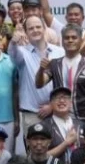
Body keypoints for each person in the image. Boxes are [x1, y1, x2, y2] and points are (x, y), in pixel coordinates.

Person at [9, 15, 66, 155]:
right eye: (31, 28)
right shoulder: (22, 53)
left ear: (45, 28)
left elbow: (63, 82)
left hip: (56, 112)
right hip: (32, 115)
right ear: (26, 32)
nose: (35, 30)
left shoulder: (59, 51)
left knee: (59, 153)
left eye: (38, 27)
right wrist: (13, 41)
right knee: (34, 156)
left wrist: (52, 106)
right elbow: (12, 53)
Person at [38, 25, 85, 127]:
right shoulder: (54, 64)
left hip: (83, 119)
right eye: (67, 38)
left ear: (81, 40)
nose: (70, 40)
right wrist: (41, 69)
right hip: (59, 119)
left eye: (74, 37)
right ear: (62, 41)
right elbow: (39, 84)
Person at [40, 87, 82, 162]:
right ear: (51, 104)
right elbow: (40, 156)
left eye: (65, 97)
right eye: (57, 98)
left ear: (71, 103)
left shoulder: (80, 125)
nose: (62, 101)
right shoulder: (44, 126)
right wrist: (66, 143)